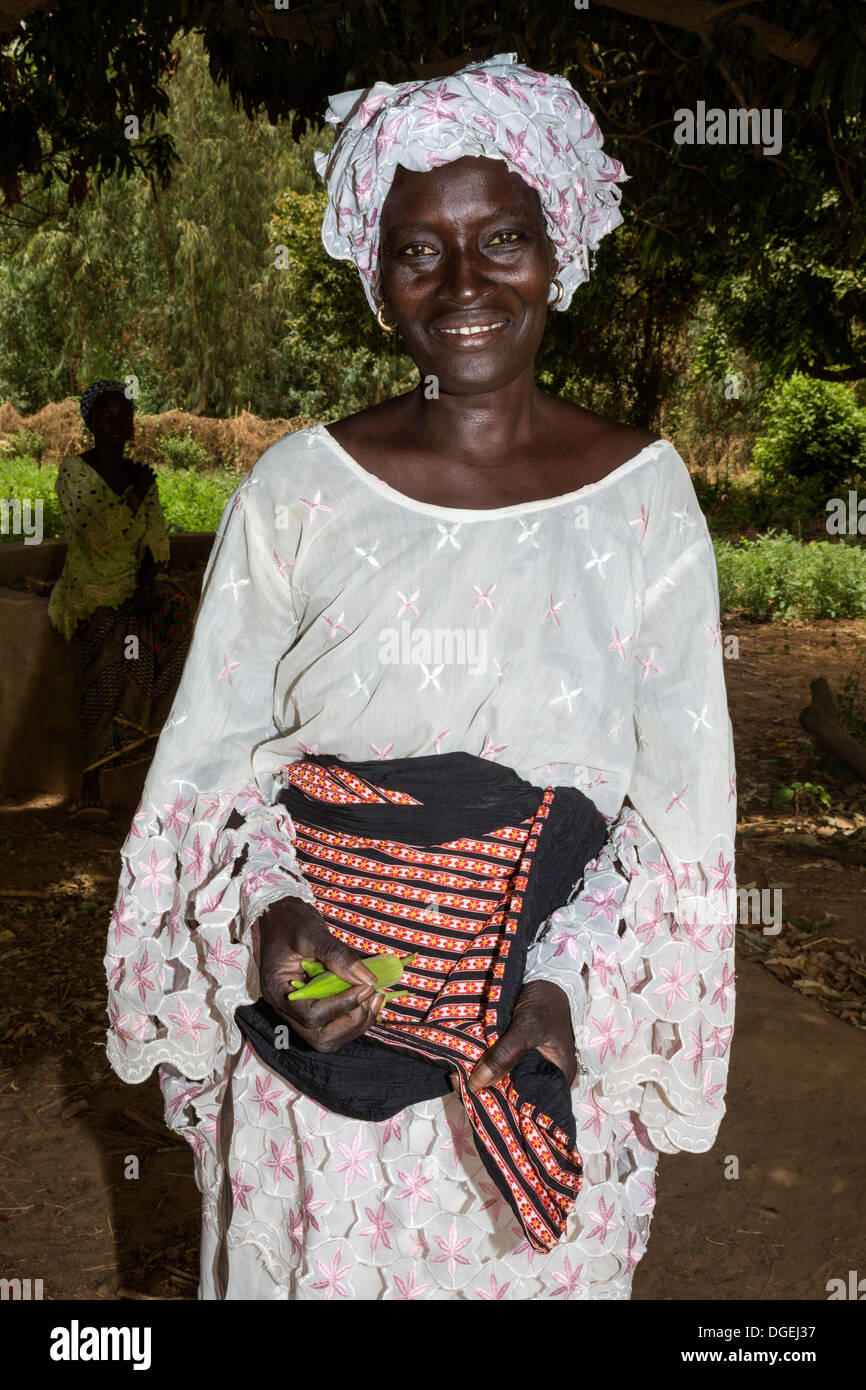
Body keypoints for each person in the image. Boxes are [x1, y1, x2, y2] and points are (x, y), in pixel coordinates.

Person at [103, 54, 737, 1300]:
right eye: (417, 249)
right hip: (322, 1098)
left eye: (499, 237)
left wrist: (567, 989)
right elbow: (216, 768)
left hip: (532, 1062)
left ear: (557, 244)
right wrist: (270, 918)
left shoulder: (642, 500)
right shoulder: (296, 492)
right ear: (372, 268)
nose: (461, 285)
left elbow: (680, 808)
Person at [48, 381, 193, 817]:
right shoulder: (75, 472)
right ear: (91, 423)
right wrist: (133, 493)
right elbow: (96, 532)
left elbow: (154, 539)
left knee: (181, 619)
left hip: (133, 585)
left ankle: (148, 744)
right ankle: (90, 777)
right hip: (89, 588)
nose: (117, 422)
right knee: (110, 650)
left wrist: (148, 587)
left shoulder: (140, 475)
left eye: (124, 416)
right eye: (108, 415)